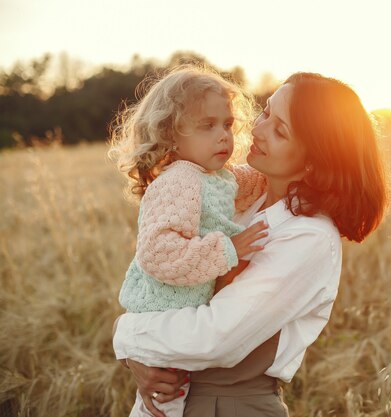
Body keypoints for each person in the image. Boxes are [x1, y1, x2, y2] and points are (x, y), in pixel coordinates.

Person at [113, 72, 390, 417]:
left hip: (229, 405)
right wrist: (139, 360)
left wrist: (127, 338)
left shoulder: (310, 237)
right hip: (170, 399)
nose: (256, 130)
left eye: (279, 130)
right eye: (266, 113)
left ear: (314, 159)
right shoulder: (236, 195)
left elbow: (214, 340)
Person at [108, 65, 269, 417]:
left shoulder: (213, 176)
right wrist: (228, 249)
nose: (224, 137)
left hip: (178, 318)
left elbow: (258, 182)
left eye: (227, 125)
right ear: (171, 135)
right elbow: (158, 253)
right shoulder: (180, 179)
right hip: (162, 317)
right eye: (207, 126)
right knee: (164, 403)